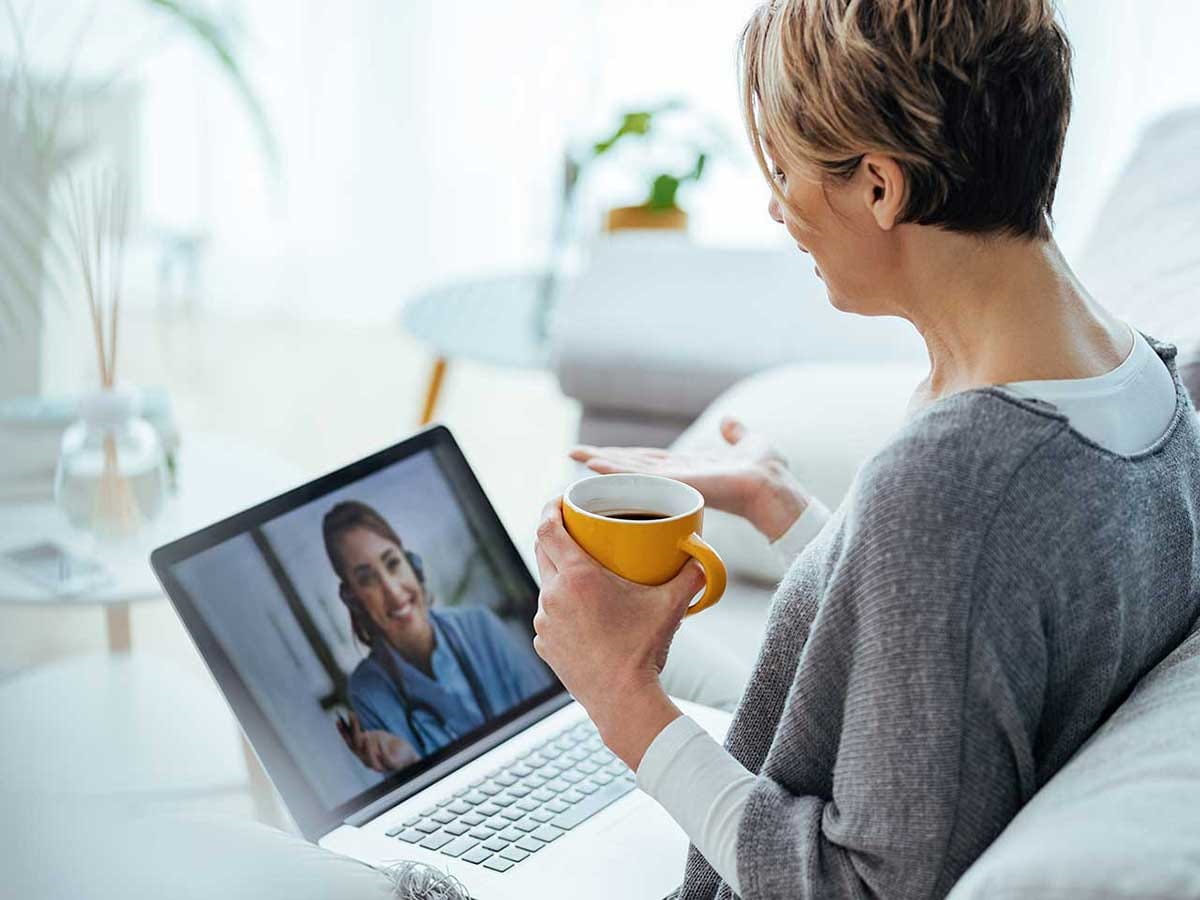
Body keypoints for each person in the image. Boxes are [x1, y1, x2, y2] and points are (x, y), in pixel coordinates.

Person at [530, 2, 1200, 898]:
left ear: (881, 188)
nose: (776, 207)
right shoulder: (1140, 379)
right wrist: (786, 509)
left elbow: (864, 888)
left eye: (784, 168)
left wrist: (624, 700)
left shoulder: (954, 485)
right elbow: (956, 649)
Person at [323, 500, 553, 773]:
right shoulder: (368, 691)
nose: (393, 592)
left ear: (412, 564)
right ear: (353, 599)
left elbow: (549, 719)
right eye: (367, 579)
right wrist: (408, 764)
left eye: (393, 563)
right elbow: (411, 795)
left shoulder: (478, 625)